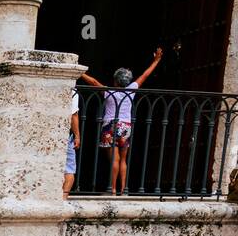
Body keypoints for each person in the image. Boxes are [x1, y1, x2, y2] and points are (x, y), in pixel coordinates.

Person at [82, 47, 164, 196]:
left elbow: (93, 82)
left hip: (110, 126)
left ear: (115, 80)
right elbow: (145, 75)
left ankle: (113, 190)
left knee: (114, 158)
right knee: (123, 160)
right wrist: (156, 60)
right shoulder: (131, 90)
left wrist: (79, 72)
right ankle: (123, 189)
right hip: (125, 126)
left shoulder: (109, 91)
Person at [64, 85, 81, 199]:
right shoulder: (72, 91)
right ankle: (63, 199)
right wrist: (77, 136)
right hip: (66, 134)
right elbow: (73, 114)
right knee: (69, 169)